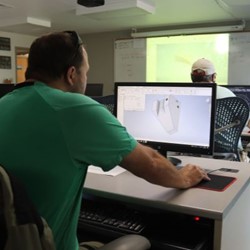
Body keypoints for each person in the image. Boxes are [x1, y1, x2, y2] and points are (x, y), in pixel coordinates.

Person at [0, 31, 209, 250]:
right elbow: (152, 164)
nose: (86, 78)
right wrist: (184, 177)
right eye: (86, 72)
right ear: (72, 74)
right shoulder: (74, 109)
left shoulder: (4, 103)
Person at [191, 57, 243, 151]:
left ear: (192, 77)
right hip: (228, 153)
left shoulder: (186, 96)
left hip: (196, 152)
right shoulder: (226, 94)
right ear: (214, 76)